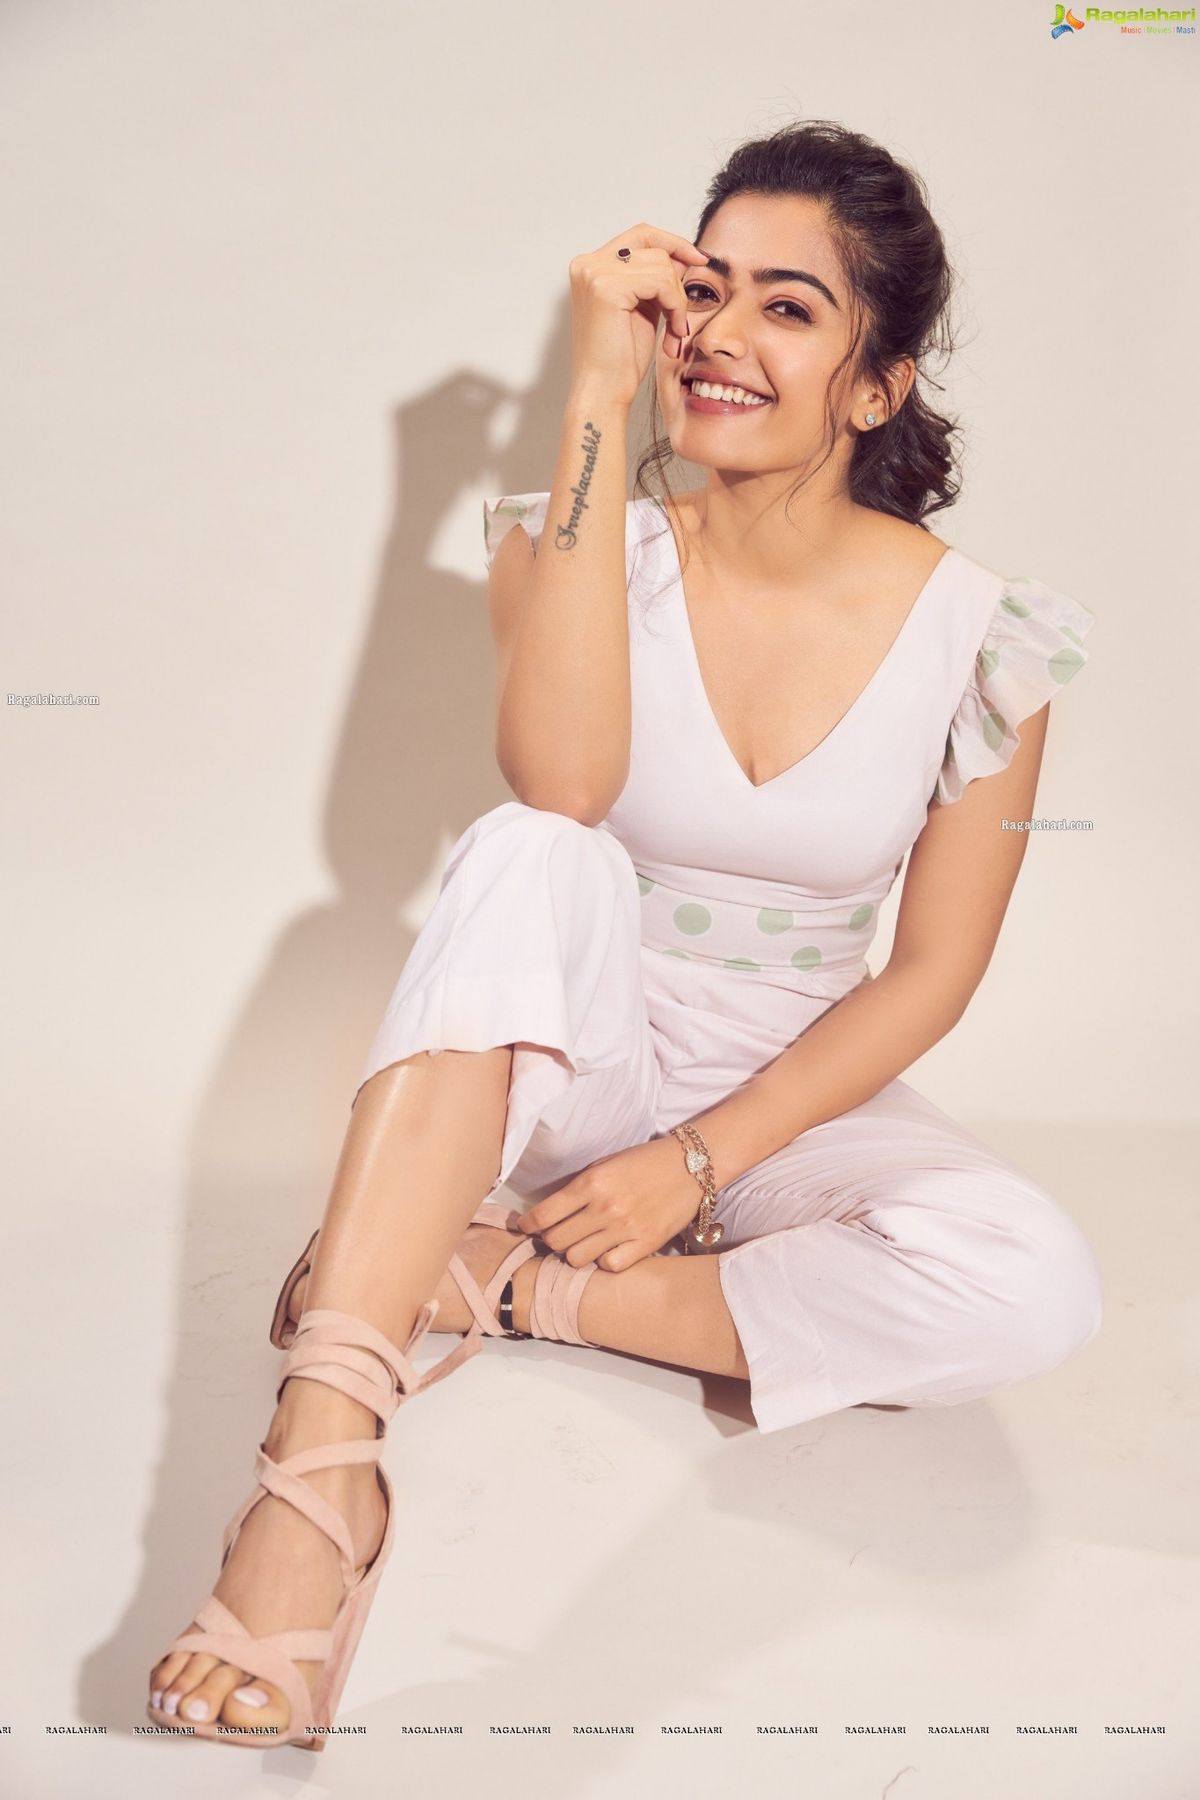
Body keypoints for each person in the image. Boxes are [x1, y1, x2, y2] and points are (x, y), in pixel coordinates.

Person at [146, 119, 1101, 1751]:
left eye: (790, 308)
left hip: (785, 1098)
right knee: (533, 847)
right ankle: (322, 1468)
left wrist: (699, 1163)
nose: (722, 335)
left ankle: (497, 1278)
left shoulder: (988, 637)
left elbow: (934, 973)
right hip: (564, 1060)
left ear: (877, 386)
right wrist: (593, 392)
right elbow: (566, 783)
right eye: (704, 292)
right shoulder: (577, 541)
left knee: (1035, 1285)